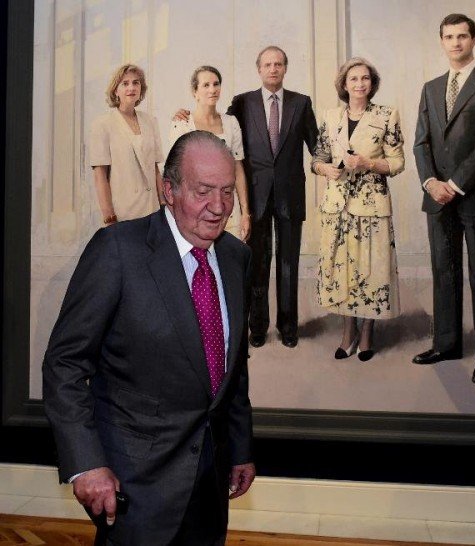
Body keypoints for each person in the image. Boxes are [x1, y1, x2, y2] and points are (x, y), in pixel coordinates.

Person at [43, 131, 255, 546]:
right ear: (168, 190)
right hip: (133, 482)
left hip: (210, 481)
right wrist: (86, 463)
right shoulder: (117, 250)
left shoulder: (236, 257)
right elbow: (64, 364)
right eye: (203, 191)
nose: (219, 207)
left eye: (228, 191)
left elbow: (234, 364)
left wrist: (240, 446)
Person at [176, 46, 318, 348]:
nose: (273, 69)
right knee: (258, 265)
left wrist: (334, 162)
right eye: (267, 64)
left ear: (285, 68)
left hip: (291, 196)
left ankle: (288, 327)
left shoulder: (301, 103)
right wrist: (185, 112)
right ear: (259, 69)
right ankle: (258, 326)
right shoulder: (243, 103)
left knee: (289, 264)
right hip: (256, 197)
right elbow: (215, 123)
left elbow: (318, 146)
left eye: (278, 64)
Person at [412, 13, 475, 384]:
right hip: (436, 196)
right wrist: (430, 183)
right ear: (442, 41)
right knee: (444, 271)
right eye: (449, 37)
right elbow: (421, 142)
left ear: (474, 39)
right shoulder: (431, 87)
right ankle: (447, 344)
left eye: (462, 36)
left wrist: (454, 184)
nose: (456, 43)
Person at [312, 57, 404, 361]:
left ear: (372, 83)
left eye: (365, 78)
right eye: (353, 79)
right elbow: (317, 159)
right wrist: (326, 169)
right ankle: (348, 331)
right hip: (337, 208)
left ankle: (367, 332)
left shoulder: (386, 115)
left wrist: (369, 164)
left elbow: (397, 162)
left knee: (371, 270)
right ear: (344, 84)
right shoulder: (330, 116)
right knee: (342, 271)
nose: (360, 84)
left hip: (372, 207)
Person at [169, 65, 251, 242]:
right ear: (195, 91)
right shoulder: (182, 124)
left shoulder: (231, 122)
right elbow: (174, 173)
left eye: (216, 84)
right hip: (195, 209)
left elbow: (237, 168)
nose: (212, 90)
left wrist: (245, 212)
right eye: (206, 85)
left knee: (230, 255)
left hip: (228, 209)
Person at [90, 64, 165, 226]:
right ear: (115, 90)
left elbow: (155, 169)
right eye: (125, 83)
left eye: (136, 82)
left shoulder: (151, 122)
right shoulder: (102, 125)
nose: (131, 87)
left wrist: (164, 207)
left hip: (153, 211)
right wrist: (110, 218)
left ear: (141, 88)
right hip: (122, 214)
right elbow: (100, 176)